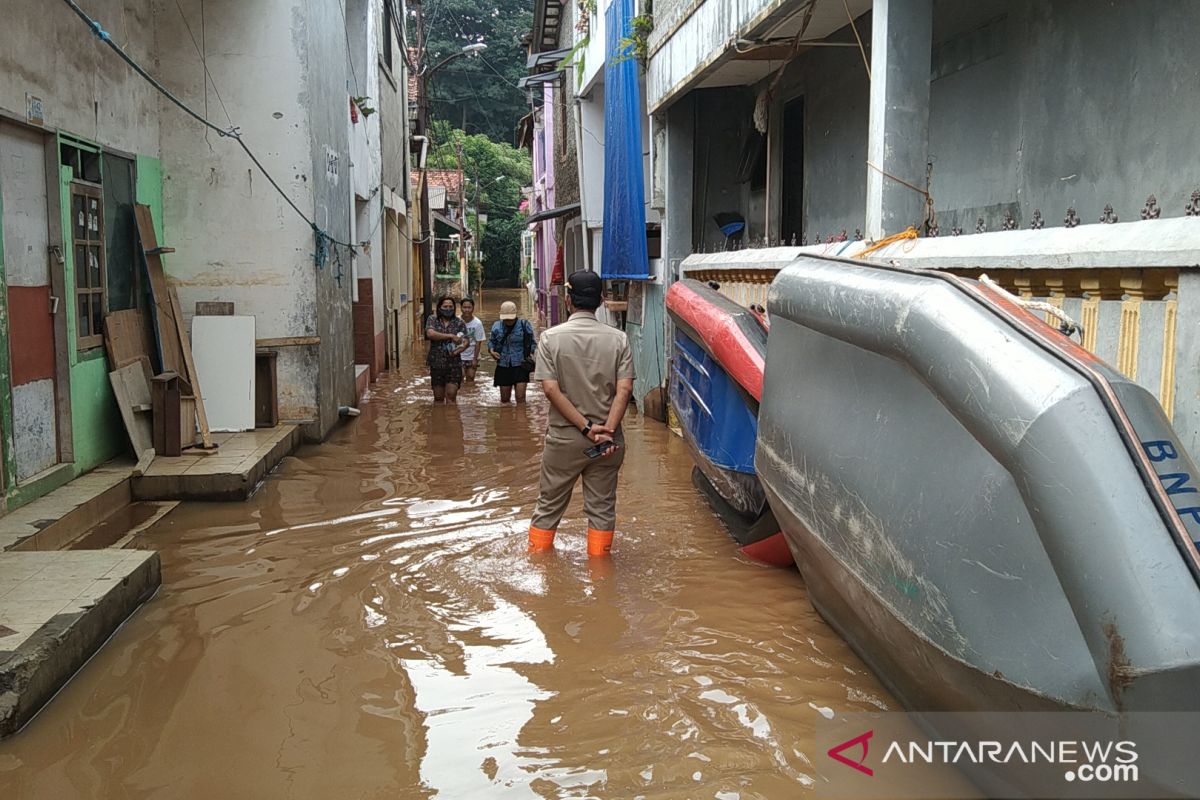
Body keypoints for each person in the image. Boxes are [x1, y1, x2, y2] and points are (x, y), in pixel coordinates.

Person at [527, 271, 634, 558]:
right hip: (609, 443)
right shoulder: (619, 340)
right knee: (601, 509)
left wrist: (587, 428)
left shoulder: (550, 339)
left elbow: (551, 390)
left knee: (548, 507)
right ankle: (601, 578)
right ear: (600, 300)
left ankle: (540, 570)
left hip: (565, 440)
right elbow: (624, 391)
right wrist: (606, 431)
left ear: (567, 299)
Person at [488, 300, 537, 404]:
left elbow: (532, 343)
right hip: (503, 366)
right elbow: (491, 342)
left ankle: (521, 419)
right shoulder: (496, 326)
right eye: (505, 319)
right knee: (505, 400)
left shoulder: (524, 325)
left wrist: (531, 354)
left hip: (521, 365)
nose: (508, 321)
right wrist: (492, 351)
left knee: (521, 398)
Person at [425, 296, 468, 403]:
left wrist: (458, 350)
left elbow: (466, 341)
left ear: (454, 308)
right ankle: (439, 419)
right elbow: (430, 334)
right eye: (445, 306)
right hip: (436, 363)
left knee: (451, 395)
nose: (448, 309)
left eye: (450, 306)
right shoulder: (432, 319)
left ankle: (451, 418)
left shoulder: (459, 322)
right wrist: (450, 336)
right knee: (438, 398)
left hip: (454, 364)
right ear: (439, 307)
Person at [459, 298, 486, 383]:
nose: (467, 310)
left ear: (473, 308)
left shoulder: (477, 323)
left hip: (472, 354)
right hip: (459, 354)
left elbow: (478, 342)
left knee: (470, 377)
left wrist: (475, 359)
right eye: (464, 307)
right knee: (460, 376)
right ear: (461, 308)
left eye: (469, 307)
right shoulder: (456, 321)